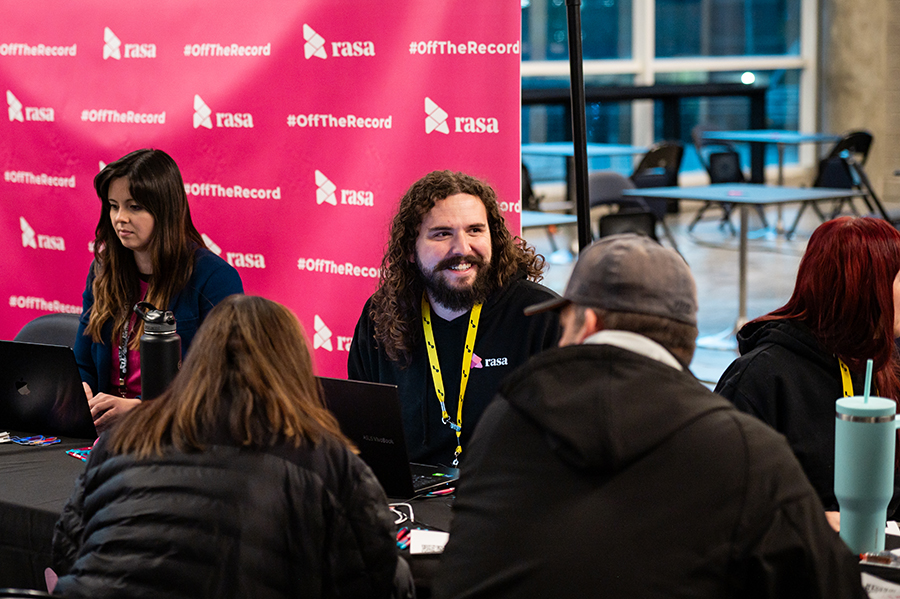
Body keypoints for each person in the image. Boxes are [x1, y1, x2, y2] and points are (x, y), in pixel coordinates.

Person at [432, 234, 865, 599]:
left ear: (586, 325)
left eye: (561, 326)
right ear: (688, 341)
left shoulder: (505, 421)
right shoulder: (745, 449)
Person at [52, 295, 412, 599]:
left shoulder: (123, 437)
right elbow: (377, 579)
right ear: (294, 368)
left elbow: (65, 550)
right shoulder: (327, 459)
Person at [348, 170, 560, 466]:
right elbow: (365, 439)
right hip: (410, 504)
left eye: (475, 230)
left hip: (508, 501)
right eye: (442, 233)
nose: (462, 248)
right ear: (410, 249)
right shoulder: (381, 316)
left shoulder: (542, 316)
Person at [716, 216, 900, 521]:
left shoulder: (888, 362)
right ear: (862, 287)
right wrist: (810, 522)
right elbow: (720, 503)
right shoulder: (760, 379)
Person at [75, 148, 243, 431]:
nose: (120, 218)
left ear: (165, 210)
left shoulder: (214, 278)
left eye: (134, 207)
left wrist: (143, 409)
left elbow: (225, 384)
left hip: (178, 433)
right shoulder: (103, 270)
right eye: (114, 206)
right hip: (105, 433)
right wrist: (81, 390)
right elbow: (83, 362)